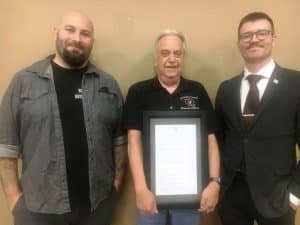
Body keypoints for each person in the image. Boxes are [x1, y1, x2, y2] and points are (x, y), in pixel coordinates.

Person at [0, 11, 127, 225]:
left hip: (96, 210)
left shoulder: (108, 86)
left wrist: (114, 187)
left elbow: (120, 144)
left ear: (92, 41)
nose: (77, 38)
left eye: (85, 33)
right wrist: (15, 201)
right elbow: (5, 148)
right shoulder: (23, 83)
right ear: (56, 33)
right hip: (36, 211)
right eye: (70, 29)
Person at [124, 30, 220, 225]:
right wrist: (141, 189)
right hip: (150, 192)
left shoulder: (197, 91)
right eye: (165, 53)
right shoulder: (138, 92)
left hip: (189, 193)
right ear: (155, 59)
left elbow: (211, 140)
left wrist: (214, 183)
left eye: (177, 53)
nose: (172, 59)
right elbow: (133, 143)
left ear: (183, 58)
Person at [215, 11, 300, 225]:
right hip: (232, 195)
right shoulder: (226, 89)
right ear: (239, 43)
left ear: (273, 39)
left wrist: (295, 193)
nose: (254, 39)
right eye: (247, 35)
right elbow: (220, 140)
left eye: (261, 33)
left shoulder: (296, 84)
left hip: (277, 197)